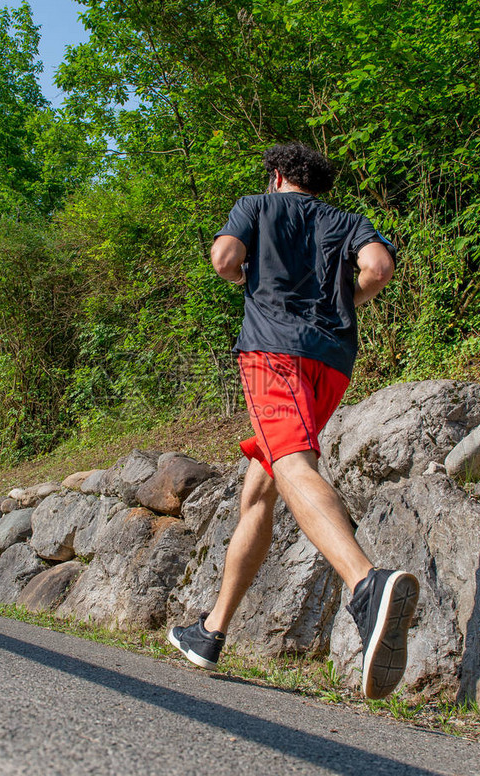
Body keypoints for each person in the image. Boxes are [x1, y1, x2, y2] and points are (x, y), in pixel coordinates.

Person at [167, 143, 419, 700]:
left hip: (273, 351)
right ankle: (211, 631)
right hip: (332, 359)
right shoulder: (349, 220)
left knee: (292, 464)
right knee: (260, 488)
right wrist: (348, 298)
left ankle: (366, 584)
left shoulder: (257, 205)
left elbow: (225, 260)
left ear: (278, 176)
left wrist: (250, 285)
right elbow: (378, 267)